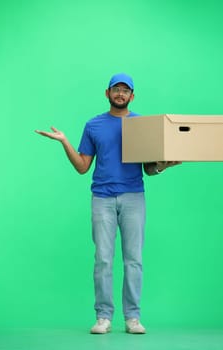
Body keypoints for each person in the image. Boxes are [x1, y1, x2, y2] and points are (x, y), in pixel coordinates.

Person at [35, 73, 181, 334]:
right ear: (107, 93)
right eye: (117, 89)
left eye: (126, 90)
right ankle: (103, 317)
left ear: (132, 96)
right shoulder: (94, 125)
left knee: (133, 259)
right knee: (103, 259)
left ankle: (132, 318)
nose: (121, 93)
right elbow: (82, 167)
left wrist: (163, 166)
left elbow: (149, 169)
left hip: (134, 197)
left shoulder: (143, 125)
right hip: (102, 198)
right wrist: (64, 142)